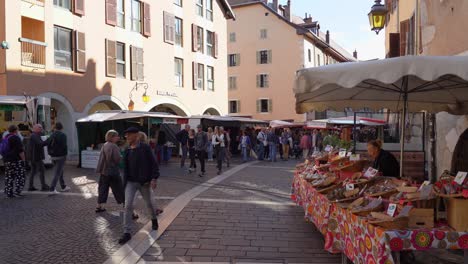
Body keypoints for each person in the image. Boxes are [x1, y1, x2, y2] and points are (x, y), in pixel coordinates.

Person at [119, 127, 159, 244]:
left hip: (144, 182)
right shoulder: (127, 149)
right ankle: (127, 232)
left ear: (135, 136)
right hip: (130, 182)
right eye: (126, 135)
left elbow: (153, 163)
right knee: (128, 205)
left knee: (149, 204)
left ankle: (154, 219)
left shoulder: (145, 148)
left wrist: (154, 178)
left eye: (128, 135)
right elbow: (125, 168)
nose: (126, 137)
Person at [95, 130, 125, 213]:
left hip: (104, 171)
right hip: (112, 171)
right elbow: (117, 159)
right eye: (116, 136)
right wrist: (122, 156)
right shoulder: (113, 146)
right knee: (118, 189)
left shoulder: (105, 145)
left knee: (102, 188)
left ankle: (99, 206)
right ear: (112, 137)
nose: (118, 138)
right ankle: (125, 206)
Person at [2, 125, 26, 198]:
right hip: (16, 160)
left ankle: (9, 193)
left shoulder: (6, 137)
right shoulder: (16, 138)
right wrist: (24, 160)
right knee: (20, 176)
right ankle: (17, 192)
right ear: (16, 130)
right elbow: (20, 151)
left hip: (7, 160)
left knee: (9, 177)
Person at [47, 122, 70, 193]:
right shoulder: (63, 135)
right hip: (61, 156)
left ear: (55, 127)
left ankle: (63, 186)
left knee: (60, 171)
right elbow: (64, 146)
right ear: (62, 128)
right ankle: (52, 189)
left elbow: (48, 144)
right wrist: (66, 155)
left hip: (53, 156)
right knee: (57, 173)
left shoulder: (51, 134)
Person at [27, 124, 50, 192]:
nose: (41, 129)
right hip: (36, 157)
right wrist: (48, 140)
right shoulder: (34, 135)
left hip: (34, 156)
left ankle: (30, 186)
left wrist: (46, 140)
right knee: (41, 170)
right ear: (35, 129)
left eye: (41, 127)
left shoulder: (36, 135)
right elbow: (40, 144)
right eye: (40, 128)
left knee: (33, 171)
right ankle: (43, 186)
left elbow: (41, 143)